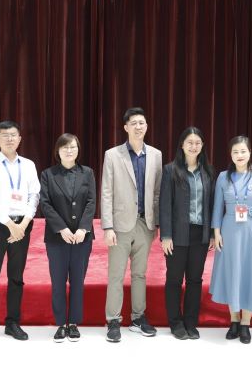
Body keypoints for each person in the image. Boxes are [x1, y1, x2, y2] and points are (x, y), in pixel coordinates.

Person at [101, 107, 162, 343]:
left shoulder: (155, 155)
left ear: (147, 126)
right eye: (134, 123)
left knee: (140, 274)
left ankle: (138, 318)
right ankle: (113, 320)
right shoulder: (113, 155)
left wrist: (155, 223)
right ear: (126, 127)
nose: (138, 127)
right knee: (116, 275)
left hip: (145, 224)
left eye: (142, 123)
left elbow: (157, 192)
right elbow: (106, 191)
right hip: (120, 225)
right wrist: (108, 227)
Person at [0, 120, 40, 345]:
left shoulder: (29, 165)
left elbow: (34, 195)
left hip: (23, 224)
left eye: (13, 135)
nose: (10, 139)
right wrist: (10, 224)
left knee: (16, 277)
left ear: (20, 138)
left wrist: (23, 224)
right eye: (5, 135)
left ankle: (13, 323)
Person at [209, 135, 252, 344]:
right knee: (232, 273)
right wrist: (216, 232)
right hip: (229, 231)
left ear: (250, 153)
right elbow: (217, 207)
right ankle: (234, 320)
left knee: (250, 274)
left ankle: (246, 323)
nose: (239, 155)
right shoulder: (223, 177)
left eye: (243, 151)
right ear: (230, 155)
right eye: (235, 152)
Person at [39, 133, 96, 343]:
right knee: (58, 282)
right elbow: (45, 204)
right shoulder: (48, 174)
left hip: (82, 238)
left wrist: (83, 228)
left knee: (78, 281)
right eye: (65, 147)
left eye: (73, 147)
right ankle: (60, 323)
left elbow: (91, 202)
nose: (69, 150)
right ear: (58, 151)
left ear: (78, 150)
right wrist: (61, 228)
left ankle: (73, 323)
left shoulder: (87, 173)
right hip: (57, 238)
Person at [159, 127, 215, 340]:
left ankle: (191, 323)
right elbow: (165, 205)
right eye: (190, 142)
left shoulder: (208, 171)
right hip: (177, 234)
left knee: (195, 279)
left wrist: (212, 233)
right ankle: (175, 323)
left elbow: (212, 204)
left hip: (200, 234)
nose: (194, 146)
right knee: (174, 279)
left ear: (202, 146)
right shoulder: (170, 170)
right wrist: (166, 235)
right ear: (182, 145)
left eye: (198, 143)